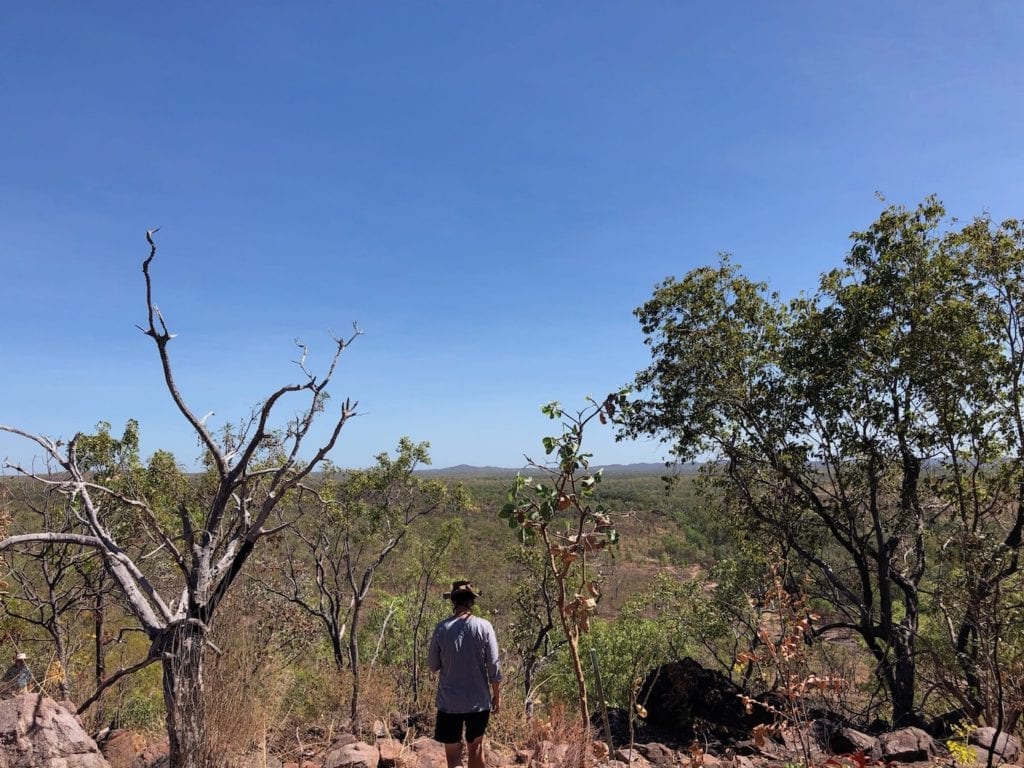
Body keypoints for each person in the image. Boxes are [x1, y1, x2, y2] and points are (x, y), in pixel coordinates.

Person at [428, 580, 501, 768]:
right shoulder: (484, 627)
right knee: (475, 749)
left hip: (448, 703)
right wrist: (496, 696)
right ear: (472, 602)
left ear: (453, 602)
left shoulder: (441, 629)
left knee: (453, 756)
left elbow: (433, 665)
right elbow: (493, 666)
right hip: (478, 702)